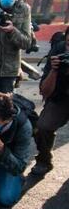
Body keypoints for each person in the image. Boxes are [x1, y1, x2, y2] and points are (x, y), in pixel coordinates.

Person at [30, 27, 69, 177]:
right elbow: (44, 91)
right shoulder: (58, 52)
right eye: (68, 44)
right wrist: (54, 71)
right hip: (60, 98)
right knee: (42, 126)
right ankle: (44, 160)